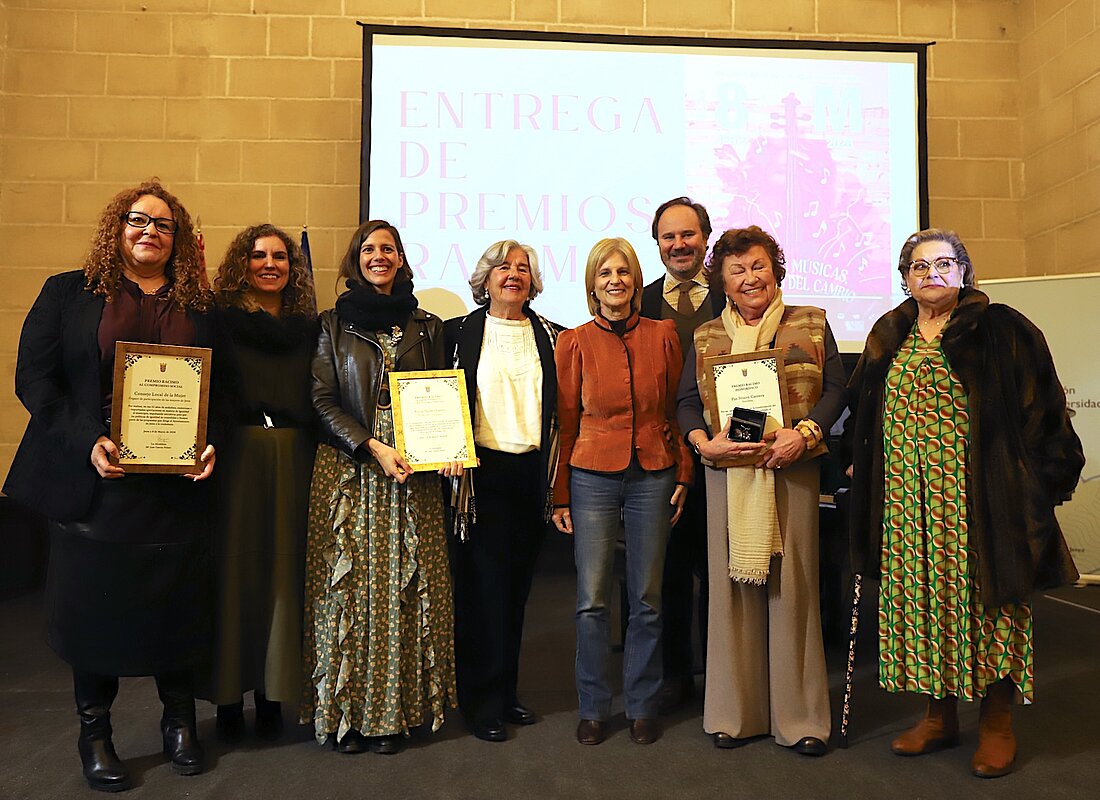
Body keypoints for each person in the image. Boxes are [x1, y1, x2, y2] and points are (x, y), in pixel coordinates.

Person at [844, 228, 1083, 779]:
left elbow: (1043, 410)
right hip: (909, 503)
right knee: (922, 604)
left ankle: (997, 722)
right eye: (919, 266)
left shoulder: (1002, 328)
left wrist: (1037, 485)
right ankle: (938, 714)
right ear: (905, 276)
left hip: (981, 502)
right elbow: (865, 410)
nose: (932, 274)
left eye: (944, 264)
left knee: (989, 605)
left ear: (964, 271)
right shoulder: (889, 332)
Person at [3, 180, 217, 791]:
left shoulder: (198, 305)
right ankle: (95, 732)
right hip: (95, 482)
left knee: (173, 607)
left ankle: (180, 724)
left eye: (163, 224)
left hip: (174, 488)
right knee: (93, 613)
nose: (149, 231)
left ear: (176, 239)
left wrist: (210, 442)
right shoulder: (67, 293)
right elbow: (36, 381)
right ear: (115, 229)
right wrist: (85, 440)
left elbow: (222, 392)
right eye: (137, 220)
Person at [678, 225, 845, 756]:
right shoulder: (706, 337)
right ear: (722, 280)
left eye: (758, 266)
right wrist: (704, 443)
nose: (750, 278)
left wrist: (805, 434)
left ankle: (801, 719)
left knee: (792, 591)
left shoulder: (810, 323)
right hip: (727, 473)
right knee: (732, 592)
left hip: (791, 466)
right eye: (737, 270)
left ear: (775, 270)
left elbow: (839, 387)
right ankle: (735, 712)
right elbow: (685, 402)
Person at [301, 219, 461, 756]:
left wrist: (451, 449)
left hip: (413, 473)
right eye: (368, 249)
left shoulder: (428, 326)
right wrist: (370, 445)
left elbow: (441, 394)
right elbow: (322, 400)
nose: (378, 257)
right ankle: (347, 717)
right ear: (355, 259)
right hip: (352, 471)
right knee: (348, 596)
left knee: (402, 594)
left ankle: (398, 714)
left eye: (388, 249)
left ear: (401, 258)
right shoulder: (330, 325)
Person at [551, 237, 691, 746]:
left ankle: (642, 704)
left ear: (636, 281)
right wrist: (561, 491)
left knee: (647, 598)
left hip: (654, 471)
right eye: (604, 272)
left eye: (624, 272)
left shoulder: (664, 335)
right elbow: (566, 422)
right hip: (591, 474)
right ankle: (593, 705)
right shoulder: (574, 342)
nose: (615, 280)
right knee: (591, 600)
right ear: (592, 283)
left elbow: (678, 410)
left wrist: (684, 473)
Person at [204, 224, 318, 742]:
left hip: (294, 458)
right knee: (235, 577)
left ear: (293, 269)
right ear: (240, 263)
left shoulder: (309, 329)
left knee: (282, 577)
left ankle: (273, 694)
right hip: (237, 458)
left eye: (280, 257)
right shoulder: (217, 323)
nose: (269, 264)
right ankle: (230, 696)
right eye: (257, 255)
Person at [445, 240, 560, 742]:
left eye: (523, 269)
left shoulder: (553, 336)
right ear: (484, 279)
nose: (513, 274)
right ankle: (479, 701)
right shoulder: (458, 334)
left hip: (532, 474)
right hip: (479, 476)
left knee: (515, 592)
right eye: (503, 267)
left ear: (533, 282)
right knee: (481, 591)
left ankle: (506, 692)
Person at [640, 197, 725, 711]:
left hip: (727, 451)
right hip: (661, 455)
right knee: (666, 570)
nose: (679, 245)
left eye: (688, 235)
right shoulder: (639, 300)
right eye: (669, 237)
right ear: (657, 244)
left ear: (705, 238)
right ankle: (674, 672)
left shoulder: (733, 294)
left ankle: (722, 668)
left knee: (722, 567)